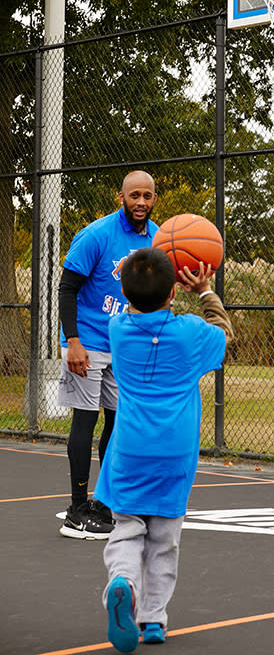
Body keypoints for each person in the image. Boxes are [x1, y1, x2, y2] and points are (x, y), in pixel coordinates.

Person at [95, 247, 233, 652]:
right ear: (174, 291)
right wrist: (205, 291)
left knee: (127, 529)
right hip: (174, 454)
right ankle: (153, 618)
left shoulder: (118, 331)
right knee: (164, 538)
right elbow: (224, 335)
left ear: (126, 290)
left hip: (130, 451)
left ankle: (123, 583)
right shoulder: (190, 332)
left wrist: (129, 273)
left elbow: (130, 305)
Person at [58, 170, 159, 539]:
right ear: (121, 196)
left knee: (119, 423)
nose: (141, 202)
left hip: (124, 344)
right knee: (85, 421)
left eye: (147, 196)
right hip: (87, 341)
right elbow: (67, 290)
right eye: (135, 195)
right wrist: (73, 341)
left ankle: (102, 501)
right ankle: (76, 510)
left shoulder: (157, 238)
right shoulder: (96, 235)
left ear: (154, 199)